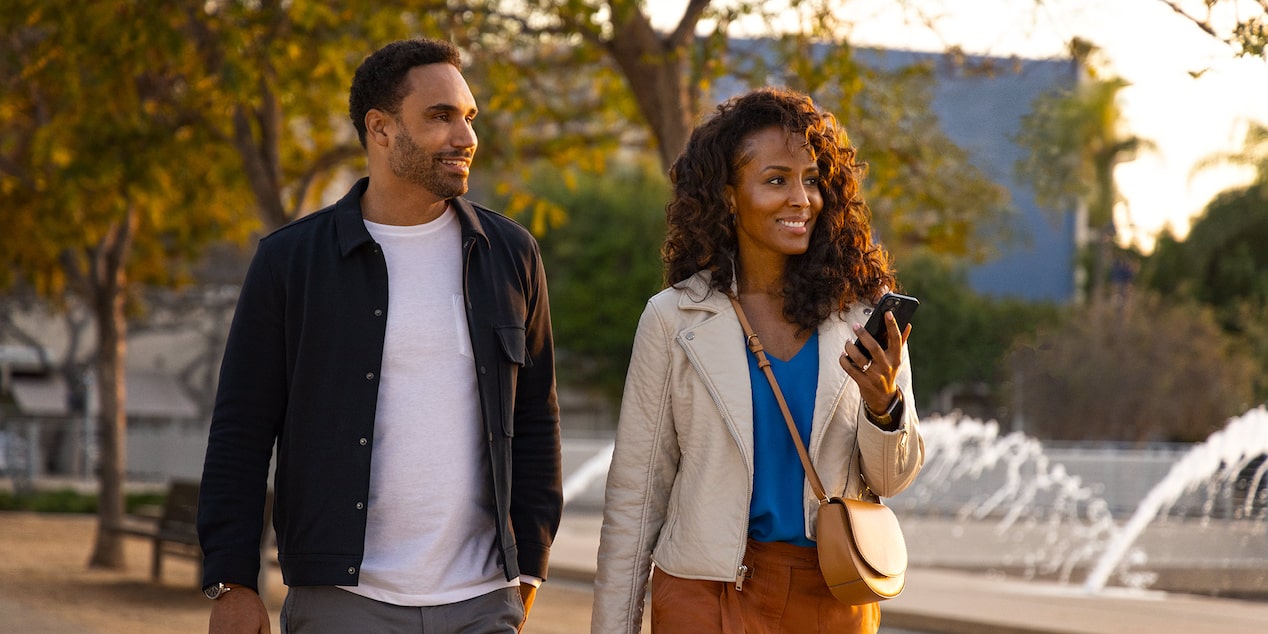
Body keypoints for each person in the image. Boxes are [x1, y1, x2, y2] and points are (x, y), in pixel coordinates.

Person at [196, 38, 562, 633]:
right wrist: (232, 582)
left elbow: (536, 419)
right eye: (440, 117)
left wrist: (531, 569)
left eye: (469, 117)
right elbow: (241, 430)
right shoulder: (291, 262)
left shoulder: (511, 255)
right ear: (381, 128)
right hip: (343, 600)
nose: (466, 137)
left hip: (483, 600)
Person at [591, 87, 925, 633]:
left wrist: (884, 404)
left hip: (831, 594)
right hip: (704, 592)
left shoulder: (860, 315)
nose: (801, 199)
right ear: (728, 195)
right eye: (776, 180)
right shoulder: (674, 319)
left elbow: (891, 478)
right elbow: (636, 495)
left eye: (811, 180)